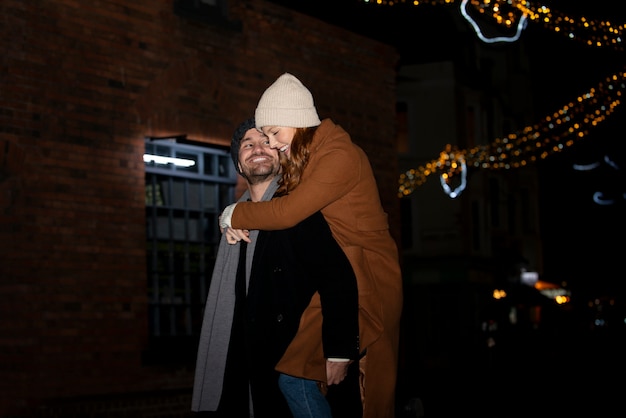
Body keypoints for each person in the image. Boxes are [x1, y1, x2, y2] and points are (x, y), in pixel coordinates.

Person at [219, 73, 404, 418]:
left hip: (370, 280)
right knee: (296, 375)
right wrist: (235, 218)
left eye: (275, 132)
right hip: (346, 272)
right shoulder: (311, 156)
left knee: (365, 396)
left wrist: (234, 213)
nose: (271, 144)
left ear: (297, 120)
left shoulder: (340, 155)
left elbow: (288, 213)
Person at [192, 118, 362, 417]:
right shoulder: (235, 225)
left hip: (295, 371)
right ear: (239, 166)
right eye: (247, 145)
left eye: (267, 142)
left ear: (281, 156)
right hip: (247, 372)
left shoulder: (299, 212)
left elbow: (339, 279)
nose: (259, 148)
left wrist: (339, 352)